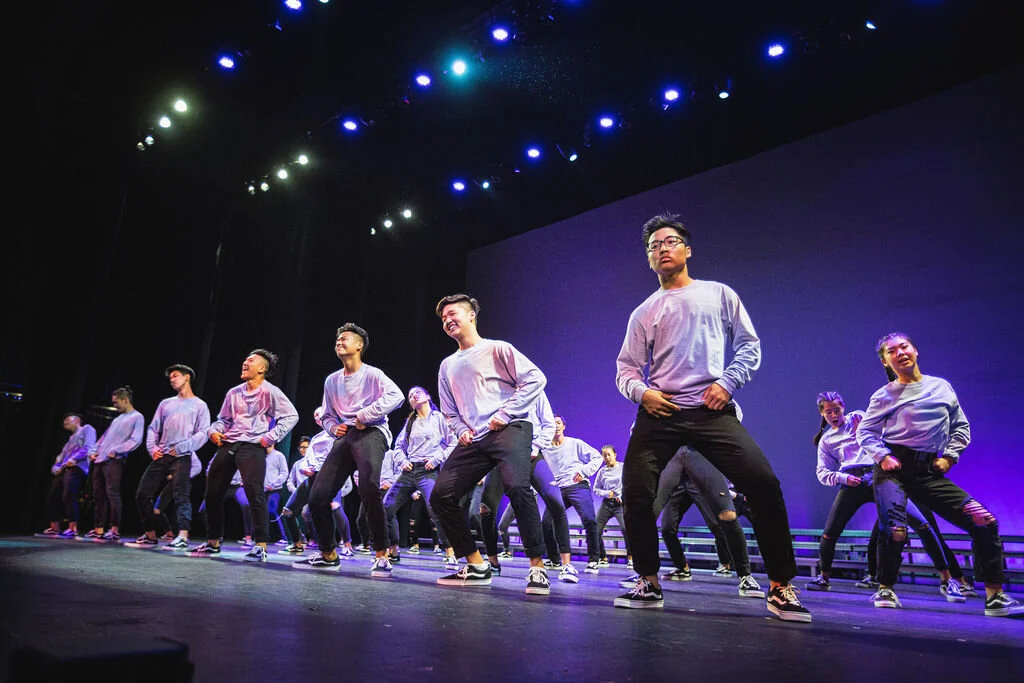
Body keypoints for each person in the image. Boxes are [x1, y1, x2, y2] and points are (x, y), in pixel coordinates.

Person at [613, 213, 809, 621]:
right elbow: (626, 369)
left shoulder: (718, 294)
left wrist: (728, 382)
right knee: (635, 492)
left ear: (687, 250)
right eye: (653, 246)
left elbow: (749, 346)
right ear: (649, 260)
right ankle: (648, 580)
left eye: (670, 241)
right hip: (660, 412)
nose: (662, 249)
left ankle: (780, 586)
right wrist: (644, 393)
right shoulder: (644, 312)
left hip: (712, 409)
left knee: (763, 483)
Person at [857, 332, 1023, 617]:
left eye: (904, 347)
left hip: (928, 470)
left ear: (915, 350)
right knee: (895, 530)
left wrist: (949, 456)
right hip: (893, 470)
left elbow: (960, 427)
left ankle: (994, 596)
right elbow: (866, 432)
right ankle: (885, 587)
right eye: (891, 351)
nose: (900, 353)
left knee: (984, 521)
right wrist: (882, 456)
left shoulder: (941, 387)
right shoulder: (884, 395)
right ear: (885, 361)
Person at [429, 293, 551, 594]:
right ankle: (476, 564)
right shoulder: (447, 365)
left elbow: (536, 379)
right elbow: (449, 410)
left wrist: (505, 413)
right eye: (443, 318)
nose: (447, 320)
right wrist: (461, 430)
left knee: (517, 487)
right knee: (441, 496)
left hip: (510, 427)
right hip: (475, 436)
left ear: (472, 315)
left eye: (453, 314)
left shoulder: (498, 349)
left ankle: (538, 567)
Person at [807, 390, 968, 598]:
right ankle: (824, 577)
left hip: (878, 476)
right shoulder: (827, 440)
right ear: (822, 413)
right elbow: (822, 472)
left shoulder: (858, 418)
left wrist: (866, 427)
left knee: (923, 524)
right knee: (829, 533)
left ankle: (947, 579)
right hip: (852, 481)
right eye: (828, 412)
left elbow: (878, 429)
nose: (834, 415)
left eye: (837, 410)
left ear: (843, 408)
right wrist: (842, 478)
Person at [291, 323, 403, 575]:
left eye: (345, 339)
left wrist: (365, 415)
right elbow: (327, 415)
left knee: (369, 488)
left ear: (359, 345)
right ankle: (328, 554)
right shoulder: (332, 380)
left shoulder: (373, 374)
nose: (339, 342)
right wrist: (333, 427)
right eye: (337, 340)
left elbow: (396, 396)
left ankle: (381, 554)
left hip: (372, 431)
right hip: (346, 435)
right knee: (317, 497)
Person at [191, 349, 298, 561]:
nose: (245, 363)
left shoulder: (271, 392)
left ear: (262, 368)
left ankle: (260, 544)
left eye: (250, 360)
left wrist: (270, 437)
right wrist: (213, 431)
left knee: (254, 493)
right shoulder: (234, 392)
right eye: (245, 359)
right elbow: (223, 420)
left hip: (253, 445)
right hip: (230, 443)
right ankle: (213, 541)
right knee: (212, 492)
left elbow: (291, 415)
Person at [135, 364, 210, 550]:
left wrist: (184, 446)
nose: (172, 379)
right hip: (162, 454)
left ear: (187, 377)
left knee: (181, 495)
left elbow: (204, 432)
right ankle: (150, 534)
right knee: (142, 494)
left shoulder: (199, 405)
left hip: (181, 456)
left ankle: (183, 535)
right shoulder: (166, 403)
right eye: (170, 377)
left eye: (175, 375)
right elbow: (153, 428)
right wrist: (152, 448)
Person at [383, 386, 457, 565]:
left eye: (418, 392)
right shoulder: (410, 421)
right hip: (409, 471)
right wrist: (402, 461)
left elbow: (453, 442)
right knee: (386, 507)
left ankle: (450, 553)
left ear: (428, 396)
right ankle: (393, 549)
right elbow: (398, 447)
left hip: (428, 470)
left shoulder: (439, 418)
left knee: (436, 509)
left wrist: (436, 459)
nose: (414, 395)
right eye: (410, 395)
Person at [539, 414, 603, 578]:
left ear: (563, 426)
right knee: (546, 523)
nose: (556, 426)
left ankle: (594, 559)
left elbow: (597, 457)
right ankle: (555, 559)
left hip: (577, 486)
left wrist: (584, 471)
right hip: (558, 489)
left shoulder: (575, 443)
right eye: (553, 423)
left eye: (559, 423)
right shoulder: (545, 449)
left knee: (589, 519)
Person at [83, 386, 144, 542]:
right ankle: (98, 529)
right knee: (98, 494)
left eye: (116, 402)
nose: (115, 405)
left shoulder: (137, 417)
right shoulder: (117, 419)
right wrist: (93, 451)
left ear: (125, 400)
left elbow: (136, 440)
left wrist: (117, 450)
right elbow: (104, 438)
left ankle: (114, 529)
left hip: (114, 460)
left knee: (112, 493)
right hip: (100, 460)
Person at [40, 413, 97, 538]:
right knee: (53, 496)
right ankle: (54, 527)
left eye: (67, 419)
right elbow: (59, 458)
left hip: (77, 467)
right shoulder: (69, 441)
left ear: (77, 421)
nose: (64, 422)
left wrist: (74, 459)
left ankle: (72, 527)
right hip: (64, 469)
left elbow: (89, 447)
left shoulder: (87, 429)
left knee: (69, 495)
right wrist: (56, 469)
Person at [235, 445, 289, 545]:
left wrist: (273, 484)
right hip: (261, 490)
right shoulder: (260, 456)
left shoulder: (279, 455)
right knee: (257, 512)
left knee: (271, 511)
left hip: (274, 490)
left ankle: (282, 537)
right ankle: (254, 537)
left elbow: (284, 473)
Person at [592, 445, 630, 568]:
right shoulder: (602, 471)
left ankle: (631, 557)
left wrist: (622, 495)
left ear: (615, 455)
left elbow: (629, 484)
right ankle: (602, 557)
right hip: (607, 504)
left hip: (620, 504)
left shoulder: (623, 467)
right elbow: (596, 489)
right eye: (604, 455)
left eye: (609, 454)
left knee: (626, 529)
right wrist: (606, 493)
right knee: (595, 529)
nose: (607, 457)